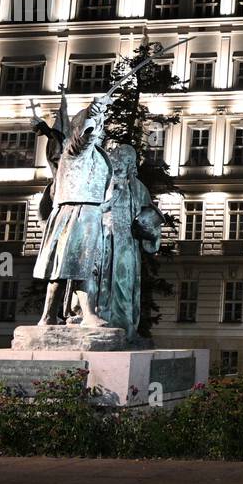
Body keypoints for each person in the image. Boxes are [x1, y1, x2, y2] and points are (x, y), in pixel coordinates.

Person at [32, 97, 112, 326]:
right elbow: (84, 138)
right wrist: (94, 113)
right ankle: (86, 315)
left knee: (68, 266)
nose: (101, 129)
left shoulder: (95, 154)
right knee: (77, 265)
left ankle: (49, 317)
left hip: (86, 213)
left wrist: (98, 115)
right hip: (76, 212)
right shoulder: (75, 149)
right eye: (99, 126)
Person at [100, 143, 163, 341]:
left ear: (131, 165)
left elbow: (151, 219)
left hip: (128, 243)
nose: (121, 164)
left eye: (126, 161)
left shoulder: (139, 188)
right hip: (103, 239)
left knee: (124, 284)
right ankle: (100, 318)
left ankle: (124, 325)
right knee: (100, 281)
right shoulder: (103, 183)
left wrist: (150, 230)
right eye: (118, 159)